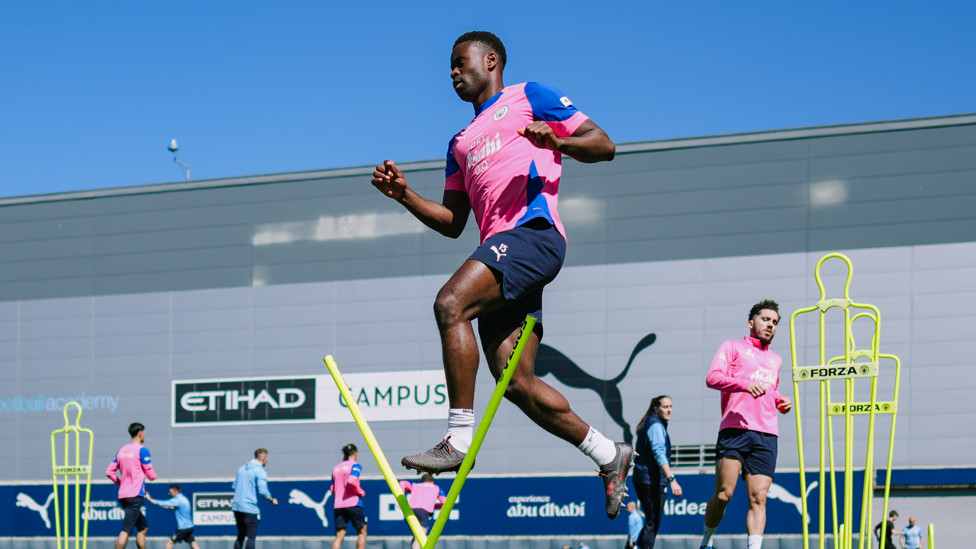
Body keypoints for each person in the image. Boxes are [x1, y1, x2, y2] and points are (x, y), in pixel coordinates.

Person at [370, 30, 629, 520]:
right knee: (516, 383)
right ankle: (609, 455)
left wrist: (560, 140)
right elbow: (452, 223)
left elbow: (605, 144)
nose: (451, 71)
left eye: (458, 61)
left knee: (450, 303)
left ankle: (457, 436)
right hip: (499, 251)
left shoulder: (530, 96)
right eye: (447, 66)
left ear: (490, 60)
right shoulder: (459, 143)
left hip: (533, 235)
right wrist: (405, 196)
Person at [699, 300, 793, 549]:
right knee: (723, 494)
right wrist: (743, 384)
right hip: (735, 430)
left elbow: (771, 390)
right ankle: (707, 542)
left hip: (767, 434)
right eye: (765, 319)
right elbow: (713, 378)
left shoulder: (776, 360)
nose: (770, 325)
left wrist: (781, 400)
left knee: (759, 497)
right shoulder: (732, 347)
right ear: (751, 323)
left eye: (774, 322)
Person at [633, 395, 682, 548]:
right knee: (653, 522)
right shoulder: (655, 426)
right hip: (651, 480)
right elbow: (659, 453)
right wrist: (672, 479)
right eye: (665, 407)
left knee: (651, 521)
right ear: (656, 408)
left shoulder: (651, 423)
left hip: (643, 478)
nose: (669, 410)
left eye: (670, 407)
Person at [105, 422, 156, 549]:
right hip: (135, 496)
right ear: (140, 433)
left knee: (143, 528)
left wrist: (121, 483)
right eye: (144, 433)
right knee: (126, 530)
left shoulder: (121, 450)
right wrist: (154, 475)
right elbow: (151, 475)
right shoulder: (142, 450)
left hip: (123, 496)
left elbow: (109, 472)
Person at [231, 448, 278, 549]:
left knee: (241, 535)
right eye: (267, 458)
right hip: (249, 508)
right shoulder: (260, 471)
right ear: (264, 458)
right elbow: (262, 490)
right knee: (251, 537)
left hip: (237, 507)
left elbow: (234, 487)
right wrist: (271, 499)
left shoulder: (241, 469)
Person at [331, 444, 367, 549]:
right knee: (362, 532)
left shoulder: (336, 468)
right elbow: (352, 480)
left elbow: (332, 489)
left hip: (338, 505)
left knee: (339, 535)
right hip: (353, 503)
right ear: (355, 453)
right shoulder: (355, 465)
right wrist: (360, 492)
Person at [399, 473, 447, 549]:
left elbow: (402, 483)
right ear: (432, 482)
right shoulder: (436, 488)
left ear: (422, 481)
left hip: (410, 511)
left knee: (417, 535)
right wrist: (435, 507)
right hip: (423, 512)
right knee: (420, 536)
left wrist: (401, 501)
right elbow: (445, 502)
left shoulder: (416, 486)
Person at [146, 484, 200, 549]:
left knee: (169, 544)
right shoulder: (183, 499)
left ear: (175, 492)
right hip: (189, 527)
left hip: (183, 529)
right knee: (193, 544)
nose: (168, 493)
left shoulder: (177, 500)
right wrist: (165, 506)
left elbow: (163, 503)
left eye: (170, 492)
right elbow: (173, 507)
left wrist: (150, 499)